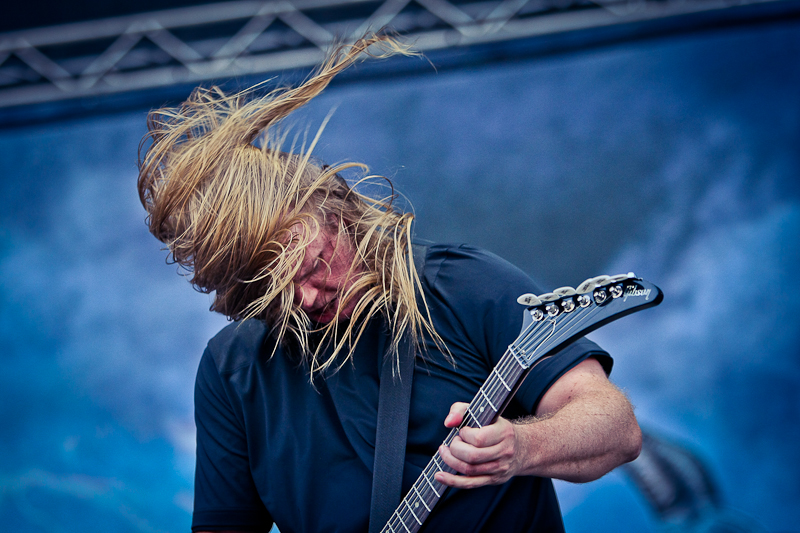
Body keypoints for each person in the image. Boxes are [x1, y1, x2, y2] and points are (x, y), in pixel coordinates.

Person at [137, 34, 642, 533]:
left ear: (337, 214)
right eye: (275, 293)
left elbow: (614, 427)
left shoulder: (461, 285)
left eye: (312, 266)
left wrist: (524, 447)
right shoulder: (233, 369)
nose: (307, 297)